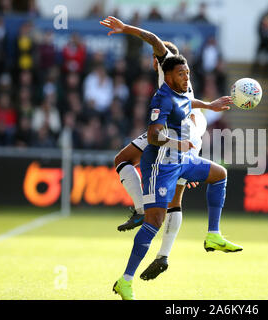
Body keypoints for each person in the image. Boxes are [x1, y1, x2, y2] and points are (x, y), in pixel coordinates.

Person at [100, 16, 234, 282]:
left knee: (157, 191)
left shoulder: (167, 66)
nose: (153, 61)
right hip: (186, 131)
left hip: (181, 135)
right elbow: (188, 102)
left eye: (155, 58)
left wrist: (125, 29)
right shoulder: (180, 84)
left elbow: (154, 40)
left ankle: (147, 222)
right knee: (160, 188)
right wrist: (210, 105)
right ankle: (163, 252)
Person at [111, 55, 242, 300]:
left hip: (183, 158)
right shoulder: (162, 97)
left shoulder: (182, 94)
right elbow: (152, 136)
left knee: (219, 174)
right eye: (182, 74)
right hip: (162, 164)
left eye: (188, 74)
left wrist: (210, 105)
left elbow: (188, 102)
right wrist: (176, 142)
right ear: (168, 74)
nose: (186, 78)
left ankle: (213, 234)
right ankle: (125, 280)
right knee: (155, 221)